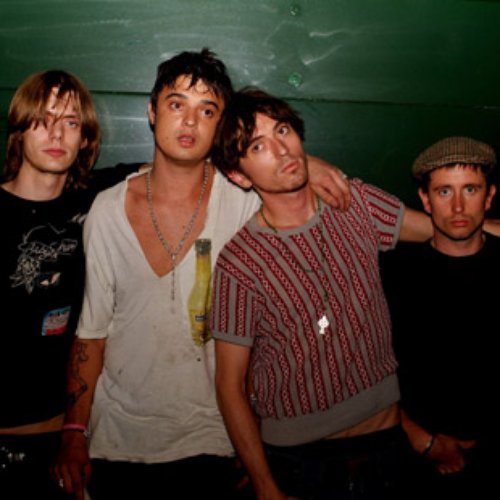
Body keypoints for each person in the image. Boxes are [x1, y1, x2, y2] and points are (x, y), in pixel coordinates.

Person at [53, 49, 351, 500]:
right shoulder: (108, 210)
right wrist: (73, 433)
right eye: (177, 104)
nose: (190, 121)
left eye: (207, 111)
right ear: (152, 112)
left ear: (220, 125)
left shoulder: (245, 200)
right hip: (118, 443)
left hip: (219, 442)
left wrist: (308, 165)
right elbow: (91, 335)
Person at [209, 88, 434, 500]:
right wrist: (265, 486)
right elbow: (229, 385)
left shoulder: (354, 201)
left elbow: (444, 230)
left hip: (385, 445)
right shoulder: (239, 263)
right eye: (258, 146)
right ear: (239, 175)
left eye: (283, 130)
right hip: (299, 461)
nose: (281, 150)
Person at [0, 70, 101, 499]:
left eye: (70, 122)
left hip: (57, 445)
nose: (56, 134)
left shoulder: (100, 201)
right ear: (19, 131)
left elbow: (175, 168)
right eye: (42, 120)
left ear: (85, 138)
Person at [380, 136, 500, 498]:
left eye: (470, 190)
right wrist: (422, 441)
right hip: (415, 455)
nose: (458, 206)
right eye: (444, 192)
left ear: (489, 197)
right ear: (425, 199)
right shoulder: (392, 273)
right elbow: (365, 367)